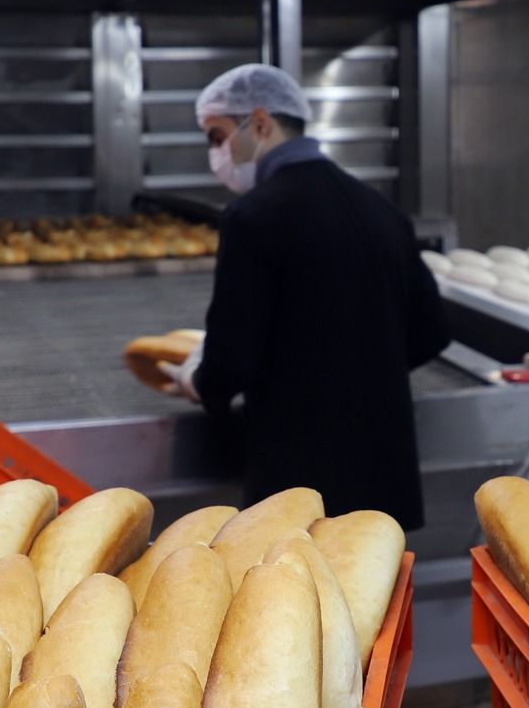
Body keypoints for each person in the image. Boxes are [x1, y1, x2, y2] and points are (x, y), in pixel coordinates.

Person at [164, 63, 451, 530]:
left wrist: (197, 380)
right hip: (381, 474)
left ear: (260, 124)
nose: (216, 153)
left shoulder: (253, 215)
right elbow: (431, 331)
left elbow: (232, 358)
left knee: (298, 578)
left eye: (217, 137)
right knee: (378, 578)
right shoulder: (380, 208)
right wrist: (358, 373)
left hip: (299, 481)